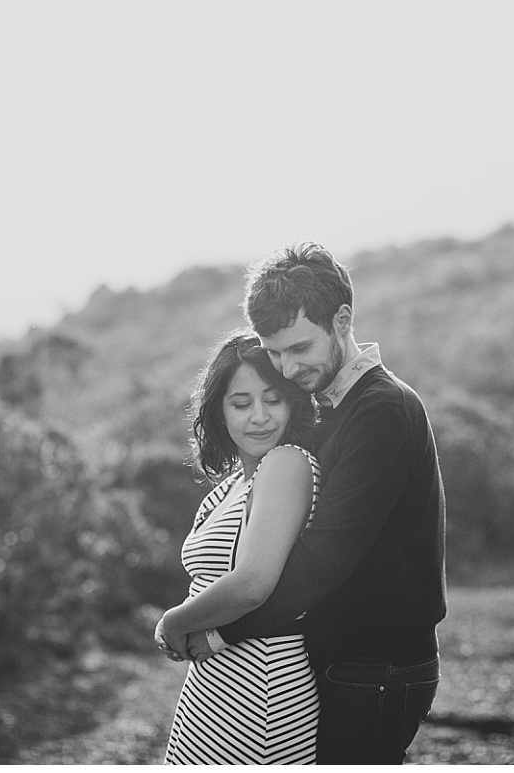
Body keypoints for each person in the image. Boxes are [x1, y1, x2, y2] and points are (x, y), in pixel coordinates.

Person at [172, 242, 447, 764]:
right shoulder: (334, 405)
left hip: (378, 665)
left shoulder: (382, 409)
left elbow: (322, 560)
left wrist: (214, 632)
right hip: (345, 660)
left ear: (342, 320)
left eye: (299, 348)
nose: (287, 367)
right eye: (273, 352)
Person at [155, 330, 323, 765]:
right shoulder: (229, 487)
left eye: (273, 399)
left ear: (293, 402)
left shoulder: (287, 463)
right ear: (219, 413)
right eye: (241, 403)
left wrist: (172, 623)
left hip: (261, 686)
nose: (260, 417)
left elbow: (252, 584)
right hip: (214, 684)